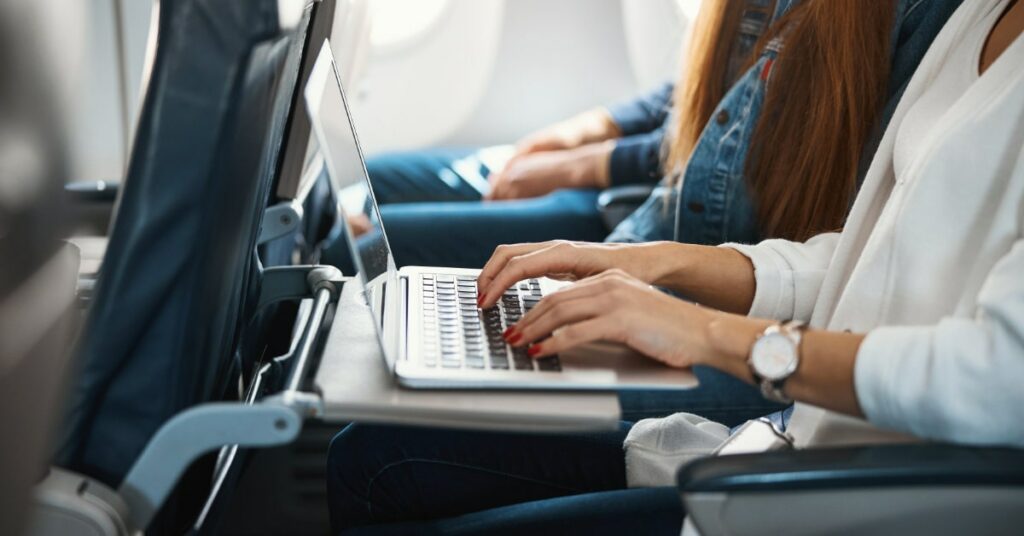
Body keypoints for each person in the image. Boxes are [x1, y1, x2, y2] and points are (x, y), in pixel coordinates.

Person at [327, 0, 1024, 533]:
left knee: (380, 466)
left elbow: (996, 377)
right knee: (372, 453)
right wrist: (647, 263)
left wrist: (703, 333)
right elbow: (864, 254)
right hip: (802, 437)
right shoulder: (980, 18)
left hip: (861, 490)